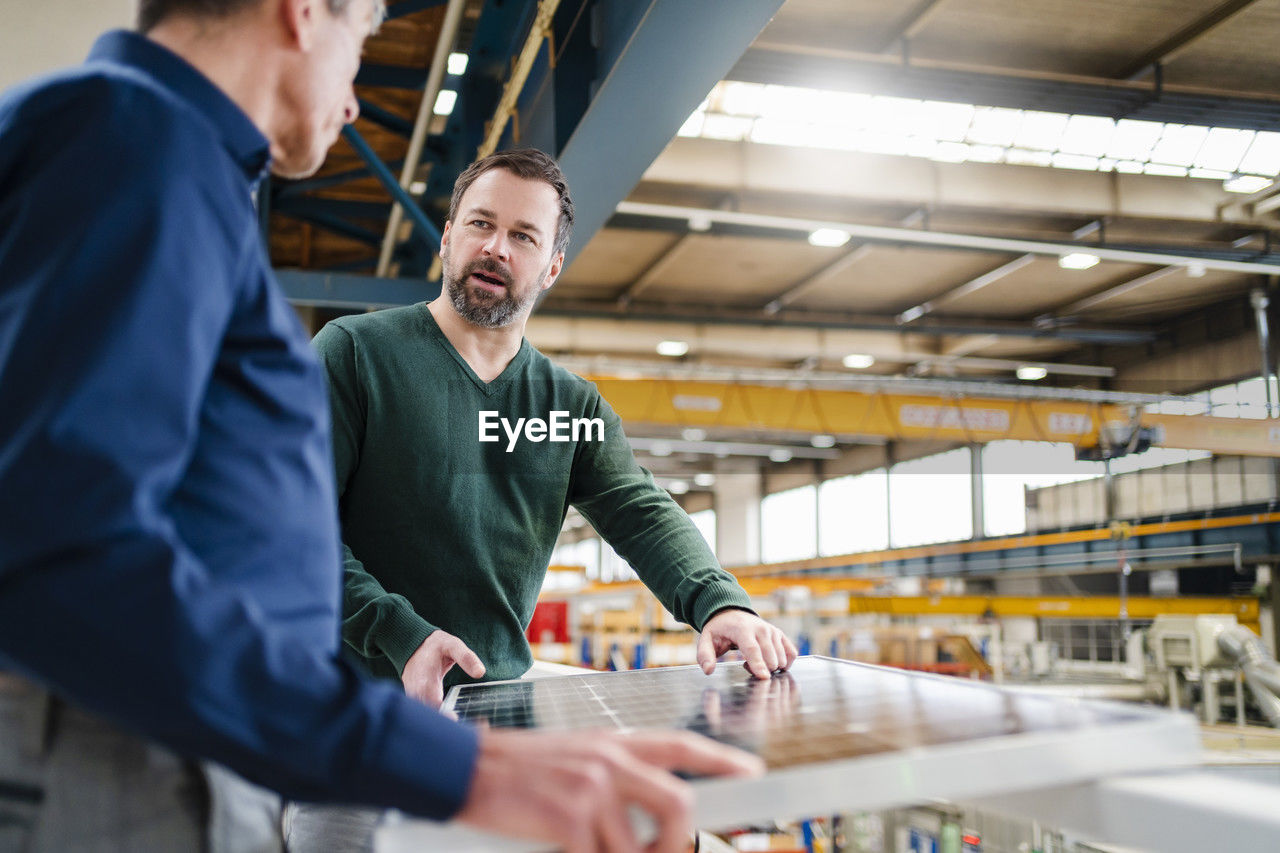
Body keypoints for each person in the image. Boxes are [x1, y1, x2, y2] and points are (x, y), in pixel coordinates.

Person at [0, 1, 765, 851]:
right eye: (362, 40)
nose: (358, 99)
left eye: (522, 235)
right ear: (300, 13)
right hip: (131, 747)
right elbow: (58, 537)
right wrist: (431, 744)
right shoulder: (136, 149)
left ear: (551, 263)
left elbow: (639, 507)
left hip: (246, 737)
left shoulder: (172, 169)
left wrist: (714, 600)